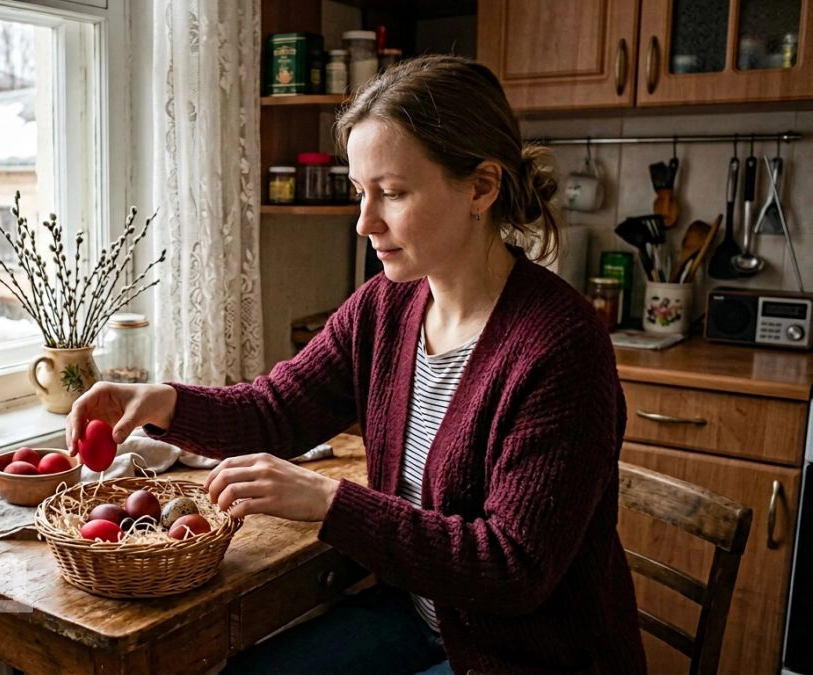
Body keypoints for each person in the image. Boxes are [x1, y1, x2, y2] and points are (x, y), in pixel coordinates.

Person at [67, 54, 647, 674]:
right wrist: (163, 403)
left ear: (481, 187)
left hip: (526, 655)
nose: (365, 222)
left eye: (393, 193)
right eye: (360, 192)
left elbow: (511, 568)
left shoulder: (561, 346)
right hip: (421, 619)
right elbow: (278, 407)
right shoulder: (386, 306)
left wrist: (329, 501)